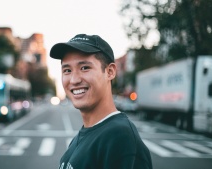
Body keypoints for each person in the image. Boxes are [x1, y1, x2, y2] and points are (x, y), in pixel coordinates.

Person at [50, 34, 152, 169]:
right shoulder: (85, 134)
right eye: (67, 70)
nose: (74, 80)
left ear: (110, 71)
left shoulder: (119, 137)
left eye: (85, 68)